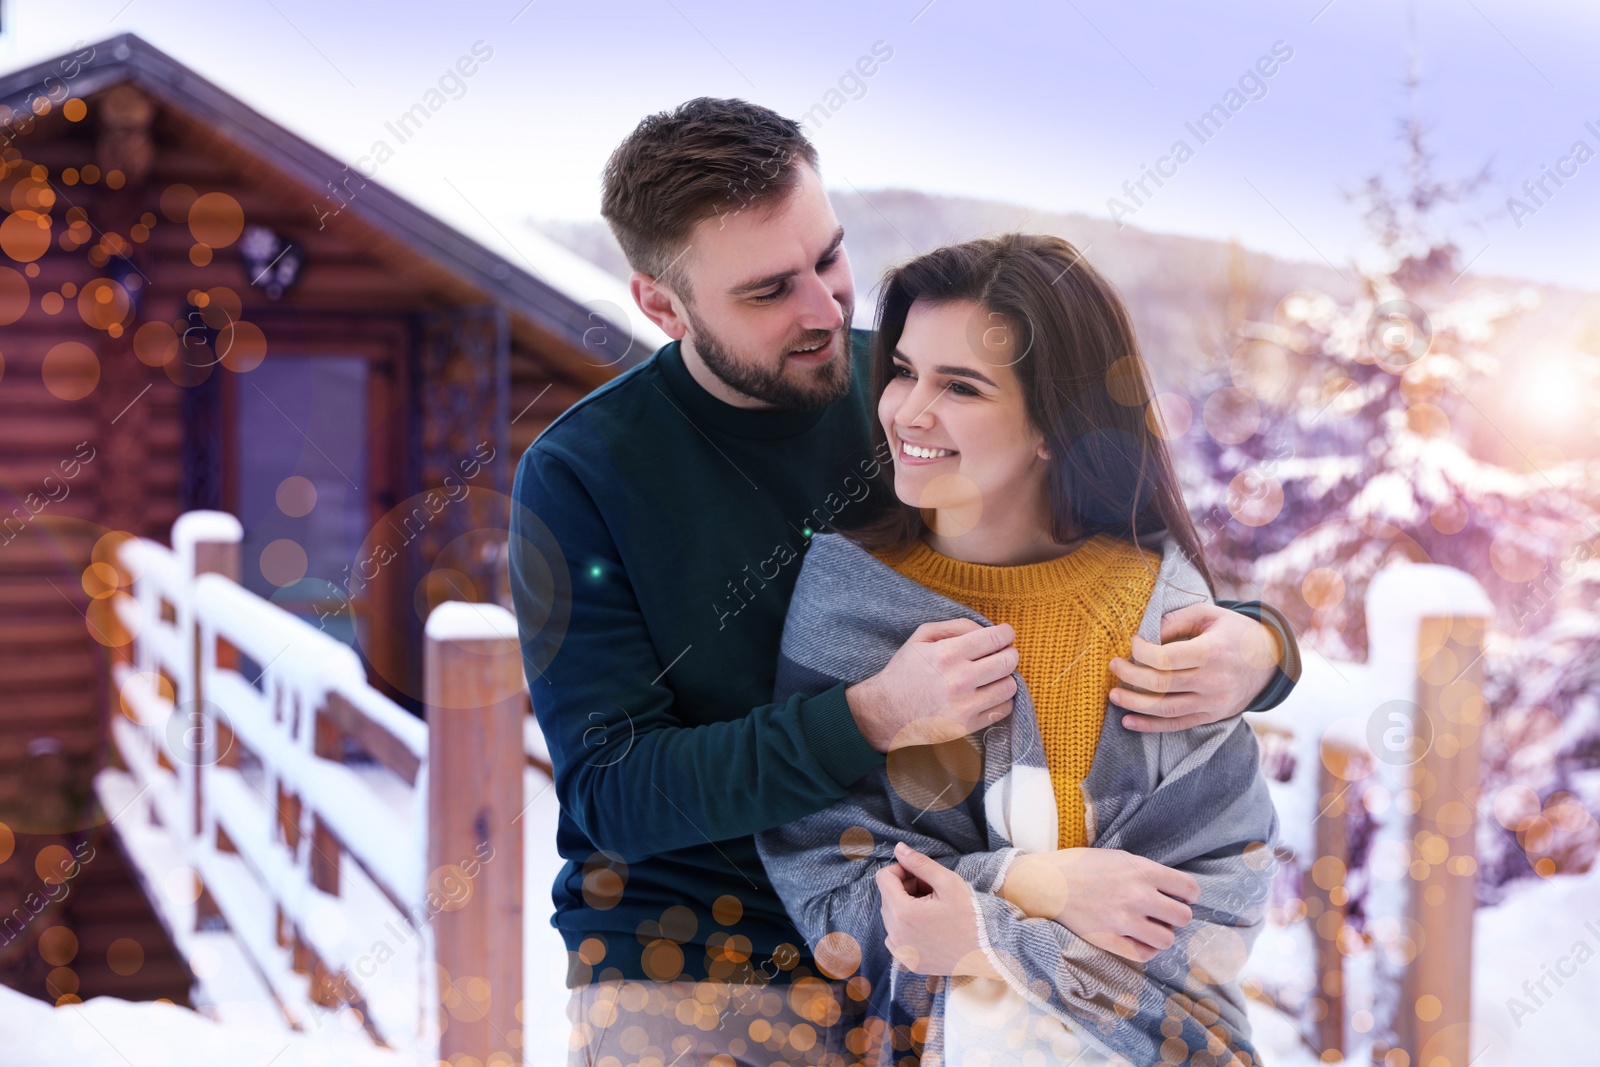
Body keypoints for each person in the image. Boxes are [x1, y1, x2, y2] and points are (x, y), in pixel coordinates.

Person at [506, 98, 1299, 1067]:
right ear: (663, 306)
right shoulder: (584, 474)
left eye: (828, 258)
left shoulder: (907, 399)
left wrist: (1260, 643)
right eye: (766, 291)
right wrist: (871, 716)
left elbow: (1083, 542)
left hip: (931, 924)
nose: (824, 309)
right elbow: (614, 789)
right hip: (697, 955)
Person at [756, 233, 1280, 1067]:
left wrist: (987, 934)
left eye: (959, 385)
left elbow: (1221, 902)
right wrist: (1034, 891)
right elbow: (826, 874)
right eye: (902, 370)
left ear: (1051, 425)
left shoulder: (1159, 607)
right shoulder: (850, 594)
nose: (908, 411)